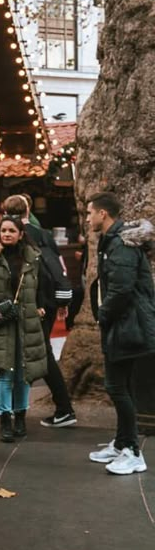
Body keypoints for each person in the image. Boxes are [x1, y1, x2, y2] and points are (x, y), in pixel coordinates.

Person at [86, 192, 155, 475]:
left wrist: (104, 315)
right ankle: (122, 443)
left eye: (90, 212)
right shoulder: (114, 241)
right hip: (126, 323)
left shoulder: (121, 245)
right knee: (120, 385)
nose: (87, 218)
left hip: (128, 325)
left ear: (103, 214)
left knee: (117, 386)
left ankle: (133, 452)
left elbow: (122, 288)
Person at [3, 194, 76, 428]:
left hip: (32, 302)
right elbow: (57, 265)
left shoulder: (12, 237)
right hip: (49, 300)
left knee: (37, 352)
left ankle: (63, 407)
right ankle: (17, 402)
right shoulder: (43, 233)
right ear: (28, 210)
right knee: (37, 350)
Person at [0, 216, 48, 442]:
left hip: (26, 321)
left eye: (11, 231)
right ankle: (5, 419)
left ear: (20, 233)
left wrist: (41, 305)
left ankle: (21, 415)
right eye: (3, 230)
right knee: (5, 372)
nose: (6, 234)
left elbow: (41, 284)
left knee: (24, 373)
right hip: (2, 321)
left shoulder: (32, 256)